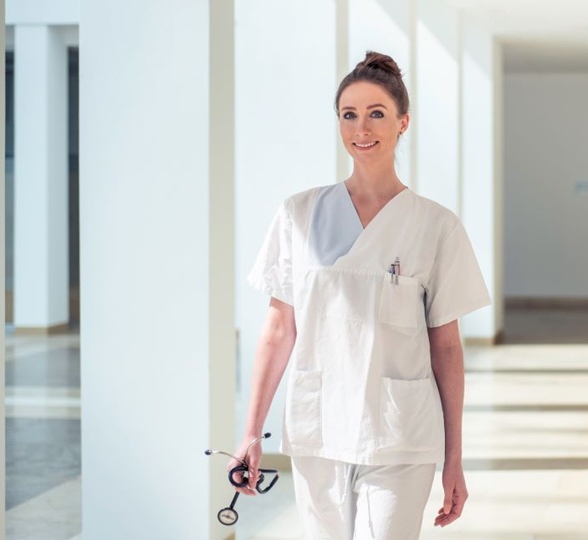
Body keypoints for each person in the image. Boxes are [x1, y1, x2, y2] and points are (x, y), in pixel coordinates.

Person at [232, 51, 491, 539]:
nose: (361, 128)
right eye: (349, 114)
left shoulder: (435, 225)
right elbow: (278, 329)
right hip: (319, 426)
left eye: (376, 113)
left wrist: (454, 458)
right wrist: (251, 432)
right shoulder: (298, 214)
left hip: (399, 431)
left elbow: (448, 347)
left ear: (403, 123)